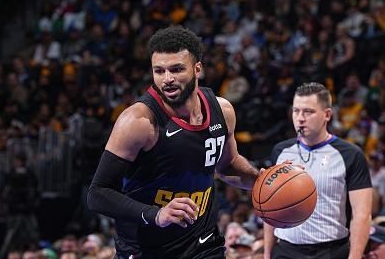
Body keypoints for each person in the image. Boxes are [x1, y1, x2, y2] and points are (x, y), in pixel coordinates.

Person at [87, 25, 260, 258]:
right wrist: (155, 214)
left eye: (176, 69)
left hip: (203, 243)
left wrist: (261, 179)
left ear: (197, 69)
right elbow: (97, 194)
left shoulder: (223, 111)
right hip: (147, 250)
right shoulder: (138, 122)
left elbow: (226, 165)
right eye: (159, 71)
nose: (167, 79)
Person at [263, 82, 373, 259]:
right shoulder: (280, 151)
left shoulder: (351, 154)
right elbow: (269, 207)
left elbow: (362, 215)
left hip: (331, 251)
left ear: (327, 115)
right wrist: (267, 254)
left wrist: (355, 257)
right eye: (296, 111)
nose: (300, 118)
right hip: (285, 251)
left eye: (308, 112)